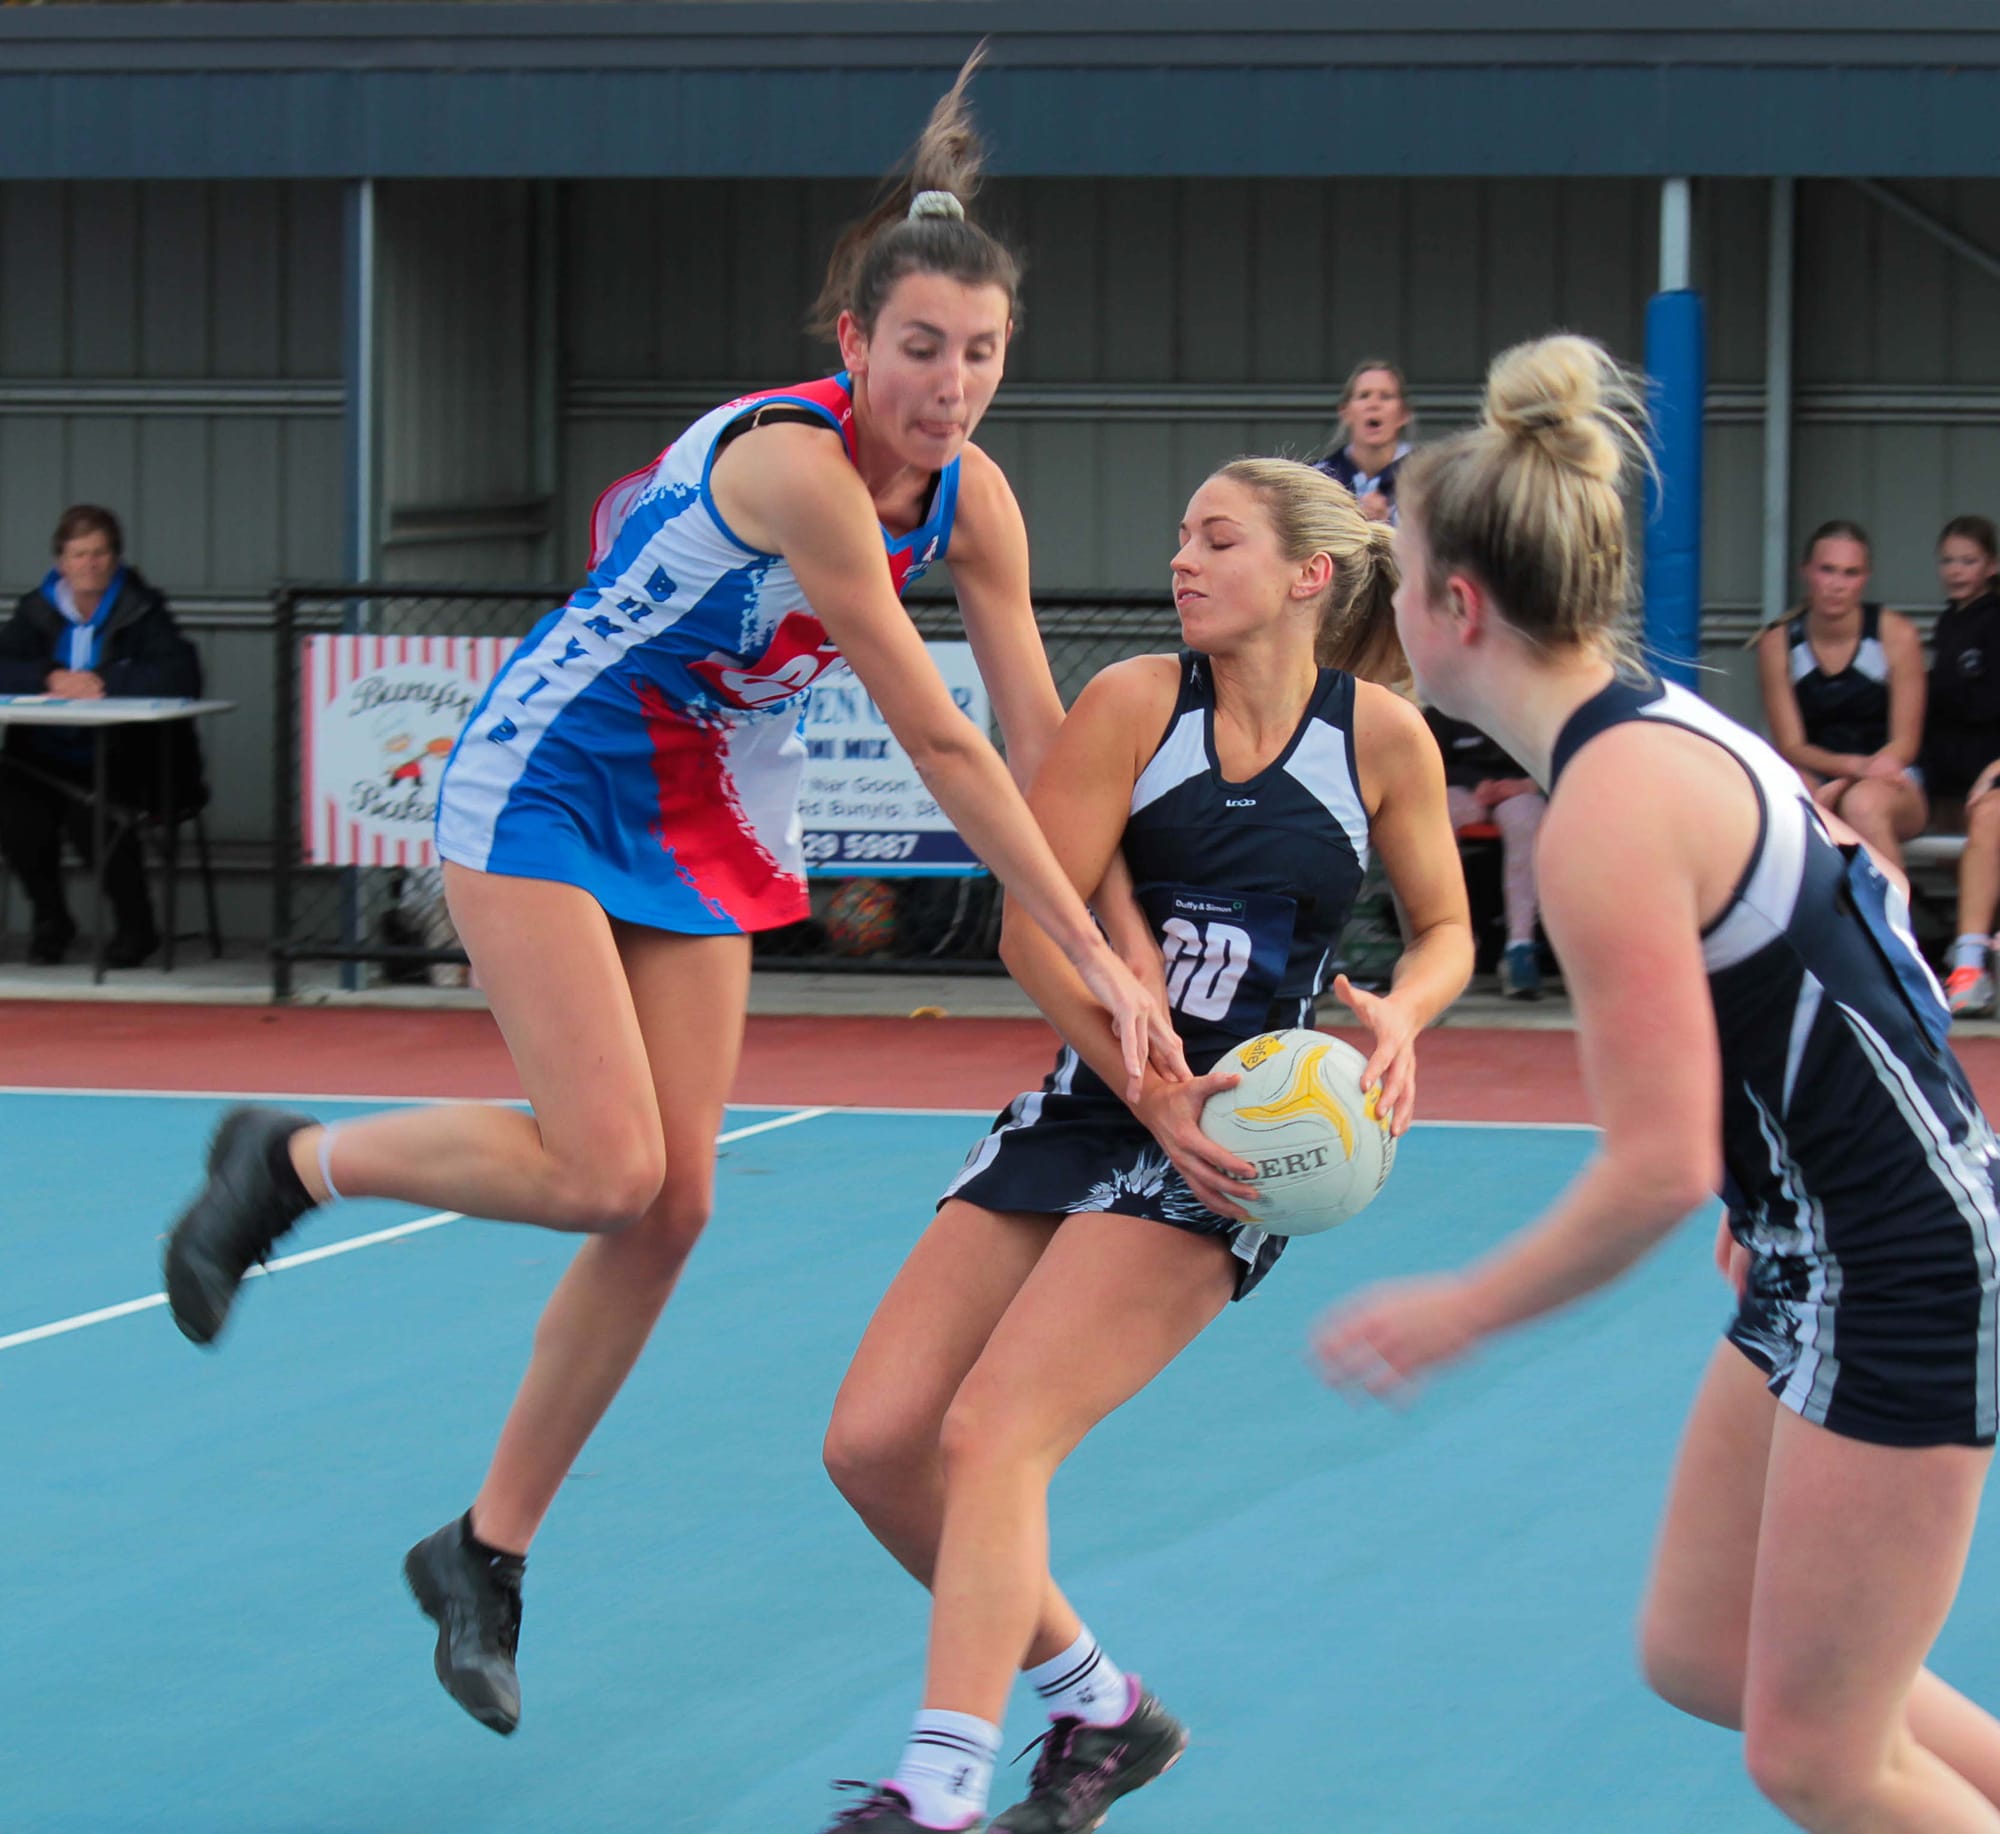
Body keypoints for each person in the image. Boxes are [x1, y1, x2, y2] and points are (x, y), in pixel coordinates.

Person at [160, 53, 1178, 1739]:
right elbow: (933, 727)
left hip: (703, 809)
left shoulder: (976, 500)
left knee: (674, 1205)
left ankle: (483, 1549)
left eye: (981, 353)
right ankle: (288, 1158)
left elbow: (1043, 740)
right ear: (851, 346)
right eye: (919, 347)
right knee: (606, 1162)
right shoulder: (798, 468)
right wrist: (1078, 944)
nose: (950, 383)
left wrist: (1126, 956)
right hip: (552, 778)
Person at [1317, 335, 2000, 1833]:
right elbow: (1855, 928)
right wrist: (1792, 1174)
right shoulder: (1658, 727)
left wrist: (1459, 1306)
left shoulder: (1607, 811)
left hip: (1896, 1263)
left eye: (1401, 565)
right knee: (1706, 1651)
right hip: (1838, 1233)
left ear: (1459, 607)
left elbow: (1654, 1161)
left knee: (1818, 1754)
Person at [819, 460, 1472, 1831]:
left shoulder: (1380, 740)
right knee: (875, 1443)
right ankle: (1105, 1709)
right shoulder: (1130, 705)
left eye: (1216, 539)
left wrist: (1404, 1013)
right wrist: (1142, 1078)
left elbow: (1449, 928)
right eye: (1179, 534)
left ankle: (937, 1781)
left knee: (995, 1432)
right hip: (1094, 1097)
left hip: (1239, 1141)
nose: (1182, 559)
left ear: (1307, 576)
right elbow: (1030, 930)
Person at [0, 503, 200, 967]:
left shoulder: (142, 610)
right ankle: (52, 921)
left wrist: (103, 681)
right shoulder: (35, 611)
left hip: (123, 755)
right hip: (41, 756)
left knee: (92, 813)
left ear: (114, 559)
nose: (90, 564)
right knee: (15, 811)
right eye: (79, 554)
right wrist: (49, 676)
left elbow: (181, 674)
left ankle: (136, 927)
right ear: (61, 563)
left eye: (99, 553)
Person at [1755, 521, 1928, 872]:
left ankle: (1891, 923)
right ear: (1806, 572)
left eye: (1850, 573)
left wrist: (1856, 778)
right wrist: (1850, 771)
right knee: (1787, 802)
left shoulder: (1895, 635)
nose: (1837, 585)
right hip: (1818, 774)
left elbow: (1905, 742)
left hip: (1891, 776)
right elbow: (1792, 745)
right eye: (1827, 570)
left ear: (1865, 578)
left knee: (1862, 805)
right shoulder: (1778, 643)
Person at [1922, 516, 2000, 1016]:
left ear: (1992, 566)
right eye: (1949, 560)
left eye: (1968, 561)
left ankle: (1972, 962)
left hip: (1986, 779)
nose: (1956, 571)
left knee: (1989, 821)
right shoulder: (1951, 622)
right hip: (1947, 781)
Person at [1424, 704, 1547, 998]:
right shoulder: (1445, 707)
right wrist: (1474, 783)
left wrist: (1528, 783)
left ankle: (1520, 949)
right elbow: (1427, 762)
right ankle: (1441, 947)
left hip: (1521, 792)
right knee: (1432, 816)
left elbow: (1557, 756)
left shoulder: (1534, 703)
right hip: (1465, 792)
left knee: (1527, 821)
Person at [1313, 360, 1414, 524]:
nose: (1373, 405)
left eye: (1386, 396)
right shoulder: (1320, 479)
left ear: (1404, 414)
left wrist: (1388, 527)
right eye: (1364, 395)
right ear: (1345, 412)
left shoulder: (1428, 479)